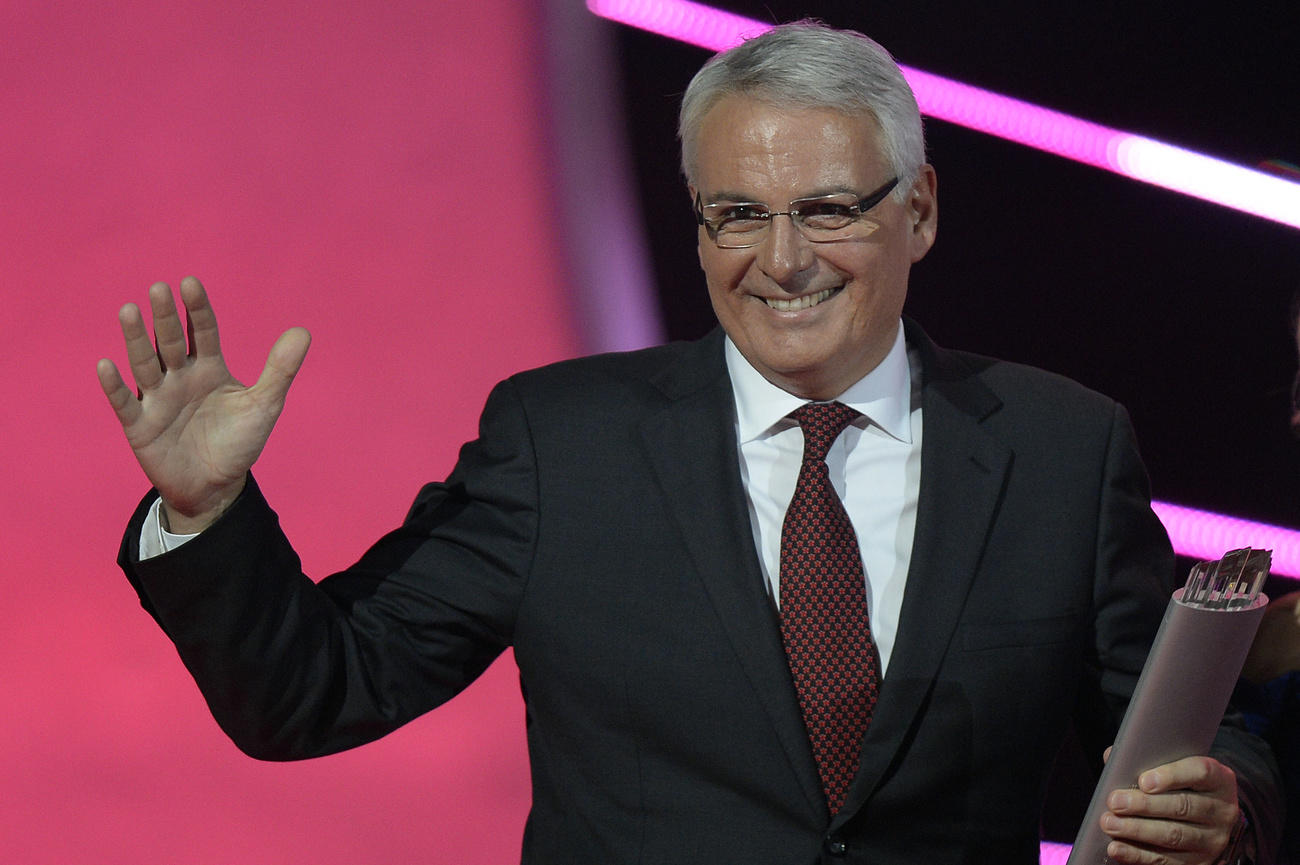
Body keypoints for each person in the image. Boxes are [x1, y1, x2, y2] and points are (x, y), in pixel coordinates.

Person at [97, 21, 1279, 865]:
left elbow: (1185, 726)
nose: (782, 258)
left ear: (917, 209)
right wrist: (207, 513)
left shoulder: (1062, 448)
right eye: (737, 215)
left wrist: (1230, 799)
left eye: (826, 208)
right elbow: (313, 693)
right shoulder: (561, 441)